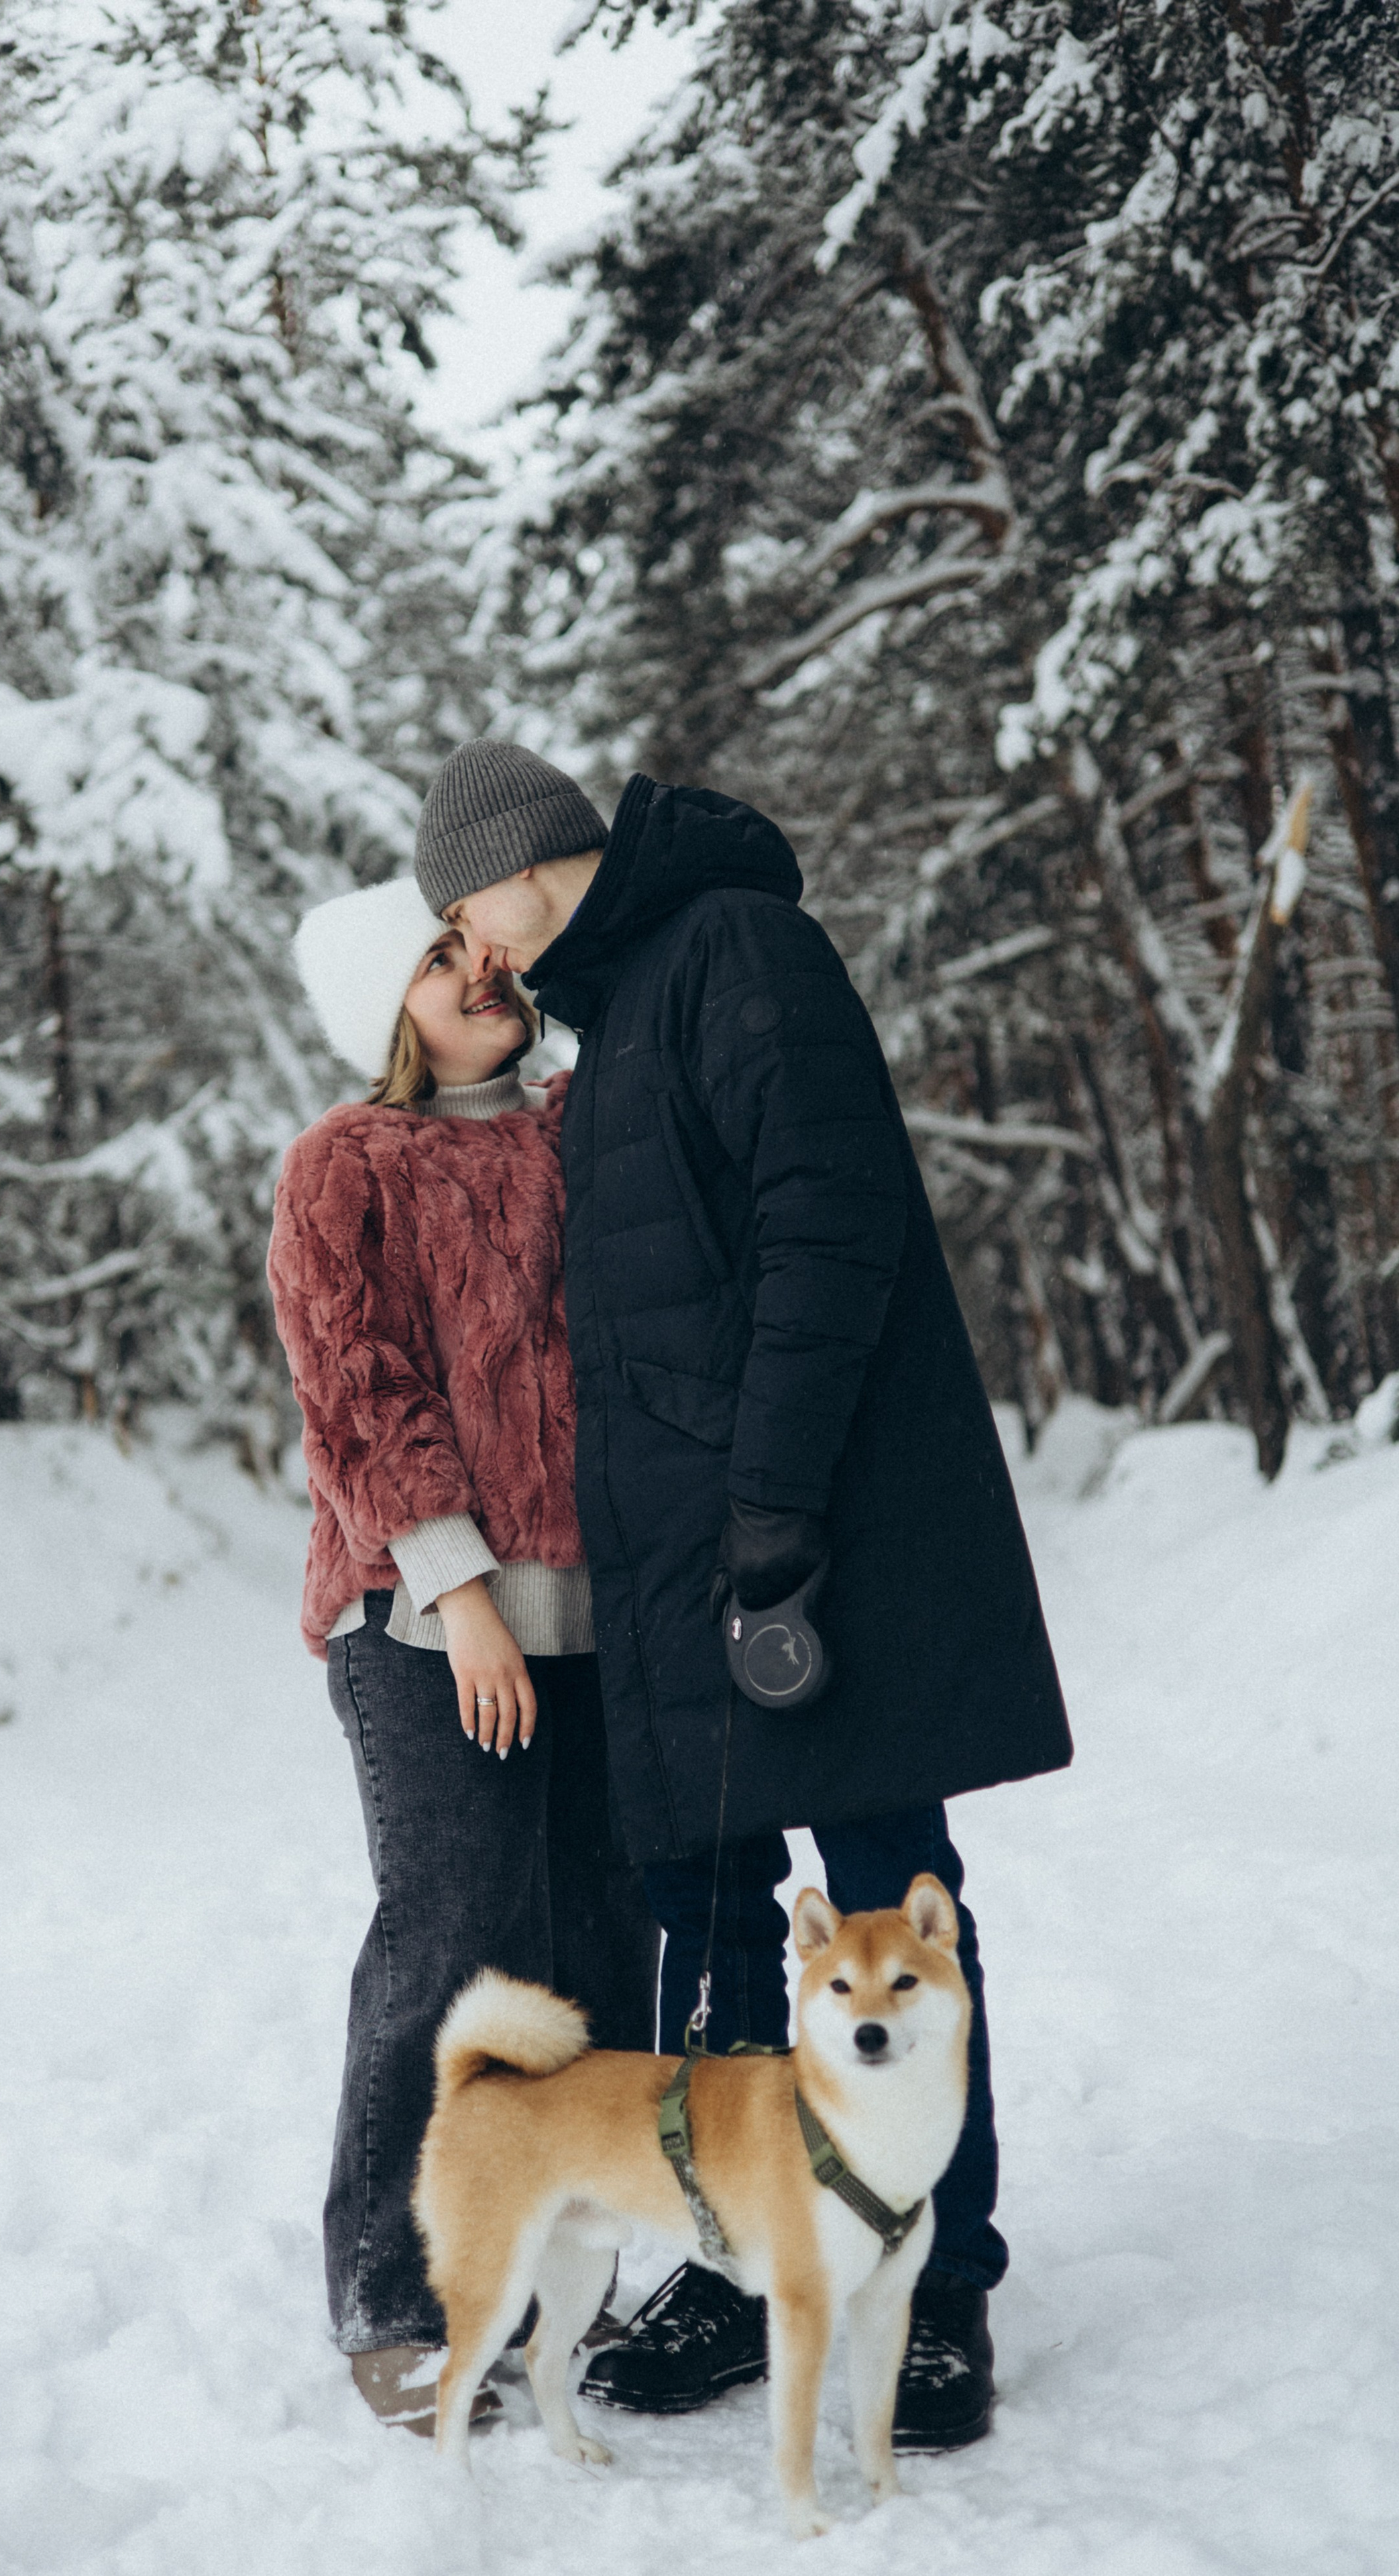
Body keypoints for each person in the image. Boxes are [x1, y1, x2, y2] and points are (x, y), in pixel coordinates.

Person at [414, 740, 1074, 2451]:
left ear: (521, 862)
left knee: (884, 1913)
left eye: (457, 904)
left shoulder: (732, 954)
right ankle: (728, 2261)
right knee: (703, 1922)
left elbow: (823, 1225)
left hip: (799, 1540)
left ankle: (934, 2288)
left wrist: (774, 1508)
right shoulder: (615, 1015)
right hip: (667, 1568)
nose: (464, 946)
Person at [267, 867, 659, 2436]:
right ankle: (392, 2285)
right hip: (424, 1613)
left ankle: (568, 2258)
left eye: (484, 951)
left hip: (597, 1614)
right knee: (454, 1928)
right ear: (385, 1006)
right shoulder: (343, 1164)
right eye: (437, 960)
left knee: (594, 1931)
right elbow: (355, 1387)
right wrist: (461, 1597)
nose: (476, 974)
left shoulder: (579, 1132)